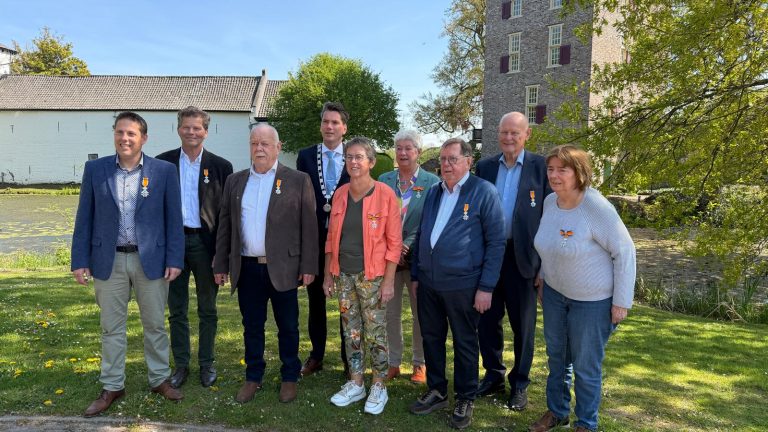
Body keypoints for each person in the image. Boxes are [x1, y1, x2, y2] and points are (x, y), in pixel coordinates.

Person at [71, 111, 185, 417]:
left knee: (155, 325)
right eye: (120, 132)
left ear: (143, 138)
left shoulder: (163, 171)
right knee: (111, 328)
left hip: (151, 260)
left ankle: (159, 379)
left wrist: (175, 258)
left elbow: (173, 219)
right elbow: (84, 217)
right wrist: (79, 260)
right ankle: (112, 385)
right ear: (114, 135)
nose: (125, 138)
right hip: (108, 260)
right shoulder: (96, 170)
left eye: (131, 133)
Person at [529, 145, 635, 432]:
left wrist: (621, 302)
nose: (554, 175)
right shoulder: (550, 202)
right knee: (557, 359)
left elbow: (625, 251)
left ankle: (586, 423)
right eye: (550, 169)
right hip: (555, 296)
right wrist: (543, 275)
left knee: (586, 367)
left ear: (579, 173)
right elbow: (550, 244)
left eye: (562, 170)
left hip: (593, 303)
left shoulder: (596, 207)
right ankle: (557, 411)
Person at [213, 123, 318, 404]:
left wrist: (309, 266)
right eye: (254, 143)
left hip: (284, 267)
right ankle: (253, 376)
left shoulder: (298, 180)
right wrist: (220, 263)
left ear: (278, 147)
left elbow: (309, 227)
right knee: (252, 327)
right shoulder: (235, 181)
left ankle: (289, 376)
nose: (259, 148)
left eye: (265, 143)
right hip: (247, 268)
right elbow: (226, 225)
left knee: (288, 326)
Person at [408, 138, 505, 429]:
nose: (446, 165)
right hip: (429, 282)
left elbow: (496, 242)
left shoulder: (483, 191)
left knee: (464, 342)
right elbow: (422, 233)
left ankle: (465, 396)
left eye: (453, 159)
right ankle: (437, 390)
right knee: (431, 338)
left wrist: (486, 287)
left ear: (468, 161)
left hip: (464, 284)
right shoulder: (434, 192)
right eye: (443, 159)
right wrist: (416, 275)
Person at [475, 111, 551, 410]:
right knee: (487, 322)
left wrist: (544, 266)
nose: (508, 138)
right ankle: (493, 375)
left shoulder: (541, 167)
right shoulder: (484, 167)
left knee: (524, 327)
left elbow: (551, 217)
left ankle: (520, 383)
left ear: (526, 135)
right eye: (504, 132)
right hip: (489, 257)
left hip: (525, 260)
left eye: (514, 133)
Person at [322, 136, 402, 415]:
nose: (353, 162)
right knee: (351, 330)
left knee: (376, 332)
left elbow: (394, 243)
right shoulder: (340, 194)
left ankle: (379, 384)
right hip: (343, 276)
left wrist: (389, 281)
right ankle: (356, 382)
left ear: (371, 162)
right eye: (349, 157)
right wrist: (327, 275)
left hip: (373, 277)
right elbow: (331, 239)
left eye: (359, 157)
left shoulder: (385, 194)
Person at [156, 106, 233, 389]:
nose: (191, 132)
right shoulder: (162, 163)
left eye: (197, 128)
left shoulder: (221, 167)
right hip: (173, 244)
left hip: (205, 244)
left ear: (206, 132)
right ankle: (181, 365)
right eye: (186, 127)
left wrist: (222, 257)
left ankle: (206, 363)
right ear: (179, 129)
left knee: (207, 308)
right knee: (176, 309)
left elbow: (226, 217)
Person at [377, 129, 439, 384]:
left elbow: (430, 220)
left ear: (418, 152)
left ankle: (419, 363)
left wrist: (407, 244)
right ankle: (393, 362)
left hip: (417, 259)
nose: (402, 153)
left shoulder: (432, 182)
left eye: (408, 148)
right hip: (388, 259)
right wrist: (391, 246)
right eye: (399, 148)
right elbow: (377, 217)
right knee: (390, 313)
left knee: (419, 314)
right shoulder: (384, 180)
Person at [296, 102, 351, 377]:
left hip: (347, 241)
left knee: (347, 303)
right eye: (325, 122)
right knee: (316, 301)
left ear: (344, 128)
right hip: (315, 241)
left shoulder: (354, 155)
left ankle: (349, 358)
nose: (329, 127)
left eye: (335, 122)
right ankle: (316, 355)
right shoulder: (306, 156)